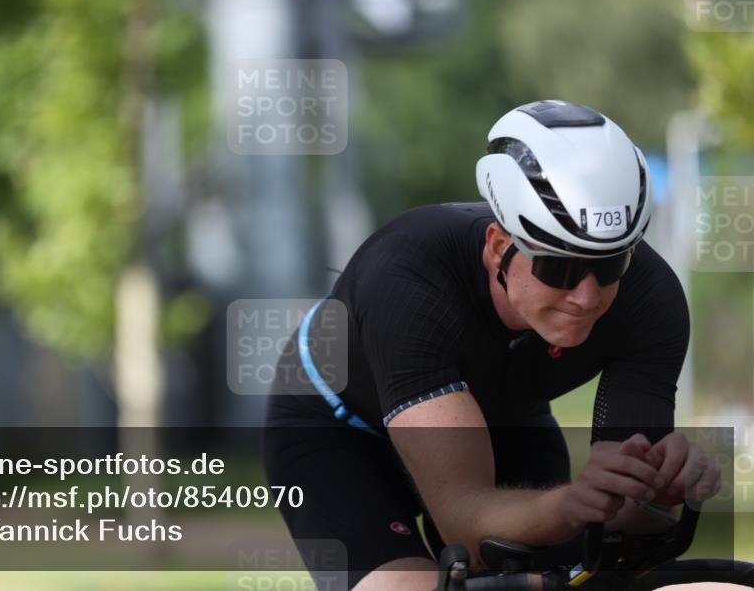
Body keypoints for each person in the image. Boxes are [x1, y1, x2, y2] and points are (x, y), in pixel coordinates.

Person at [261, 100, 722, 591]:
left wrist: (660, 494)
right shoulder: (406, 278)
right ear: (499, 246)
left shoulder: (649, 298)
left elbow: (624, 528)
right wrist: (568, 504)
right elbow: (465, 522)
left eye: (610, 265)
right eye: (560, 268)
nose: (587, 297)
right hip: (339, 433)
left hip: (507, 421)